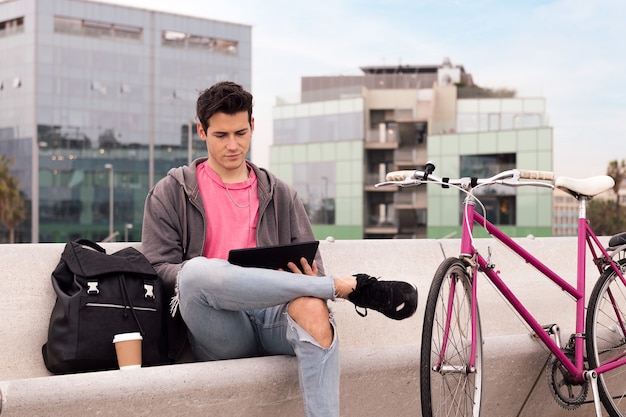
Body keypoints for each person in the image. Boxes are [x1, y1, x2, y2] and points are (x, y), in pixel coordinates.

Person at [141, 81, 417, 417]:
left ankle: (329, 290)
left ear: (253, 126)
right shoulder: (172, 192)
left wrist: (308, 276)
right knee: (196, 272)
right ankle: (343, 288)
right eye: (221, 135)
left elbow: (310, 258)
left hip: (274, 318)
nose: (233, 145)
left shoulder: (280, 194)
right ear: (202, 131)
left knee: (313, 309)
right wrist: (218, 277)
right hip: (219, 327)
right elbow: (158, 269)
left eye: (241, 133)